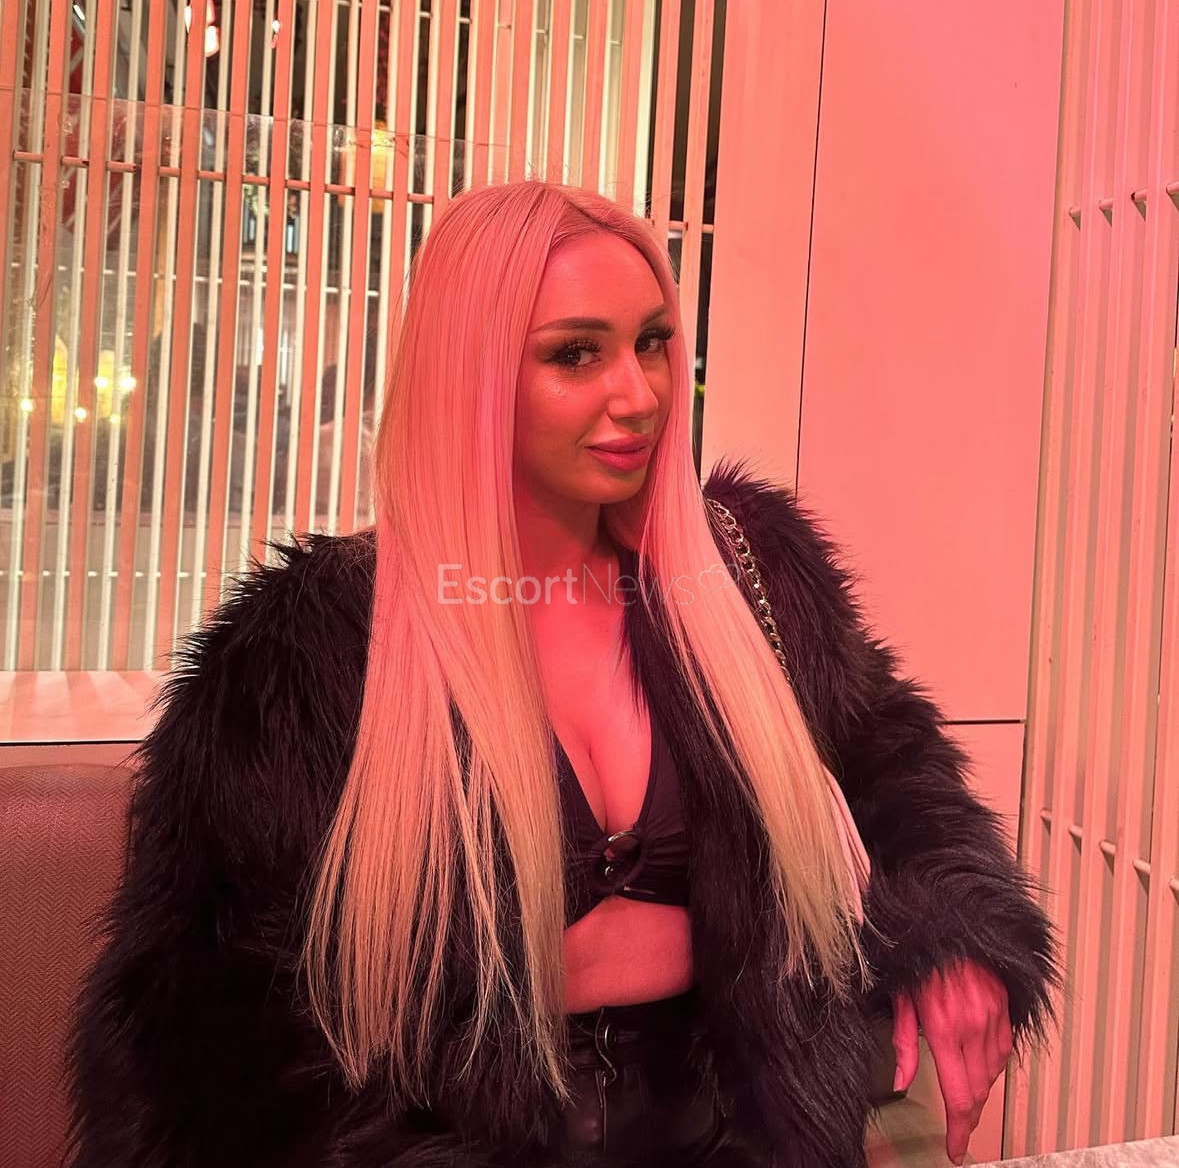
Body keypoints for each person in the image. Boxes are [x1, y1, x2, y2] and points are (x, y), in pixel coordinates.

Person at [65, 181, 1058, 1168]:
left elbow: (892, 768)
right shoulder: (308, 657)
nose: (640, 394)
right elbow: (187, 1040)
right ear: (472, 373)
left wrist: (956, 934)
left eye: (653, 342)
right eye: (576, 354)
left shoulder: (741, 580)